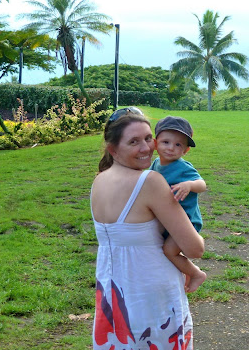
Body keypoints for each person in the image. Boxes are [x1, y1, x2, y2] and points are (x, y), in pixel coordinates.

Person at [91, 107, 204, 350]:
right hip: (151, 295)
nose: (146, 148)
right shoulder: (150, 181)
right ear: (113, 149)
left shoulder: (99, 180)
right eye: (134, 142)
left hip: (114, 292)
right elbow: (195, 248)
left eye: (147, 138)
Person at [150, 116, 207, 293]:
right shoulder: (156, 164)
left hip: (186, 221)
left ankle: (196, 273)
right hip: (169, 220)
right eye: (166, 142)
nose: (170, 148)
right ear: (155, 143)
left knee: (169, 251)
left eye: (178, 145)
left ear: (185, 150)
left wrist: (189, 185)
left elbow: (202, 185)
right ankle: (177, 276)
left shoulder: (183, 168)